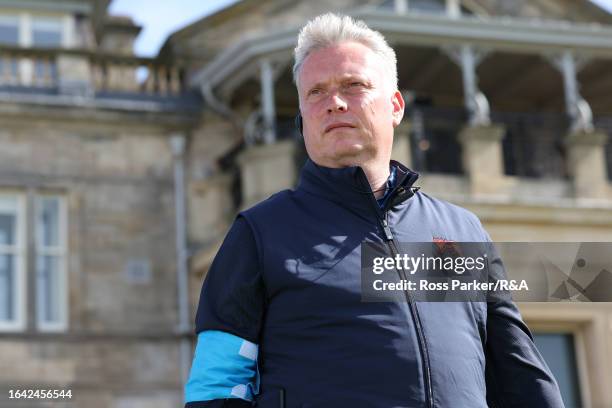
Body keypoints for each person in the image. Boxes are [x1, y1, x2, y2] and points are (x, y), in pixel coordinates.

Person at [185, 13, 565, 408]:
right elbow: (216, 387)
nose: (334, 103)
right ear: (302, 119)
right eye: (316, 92)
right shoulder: (261, 233)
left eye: (354, 86)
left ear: (395, 106)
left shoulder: (459, 230)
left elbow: (521, 376)